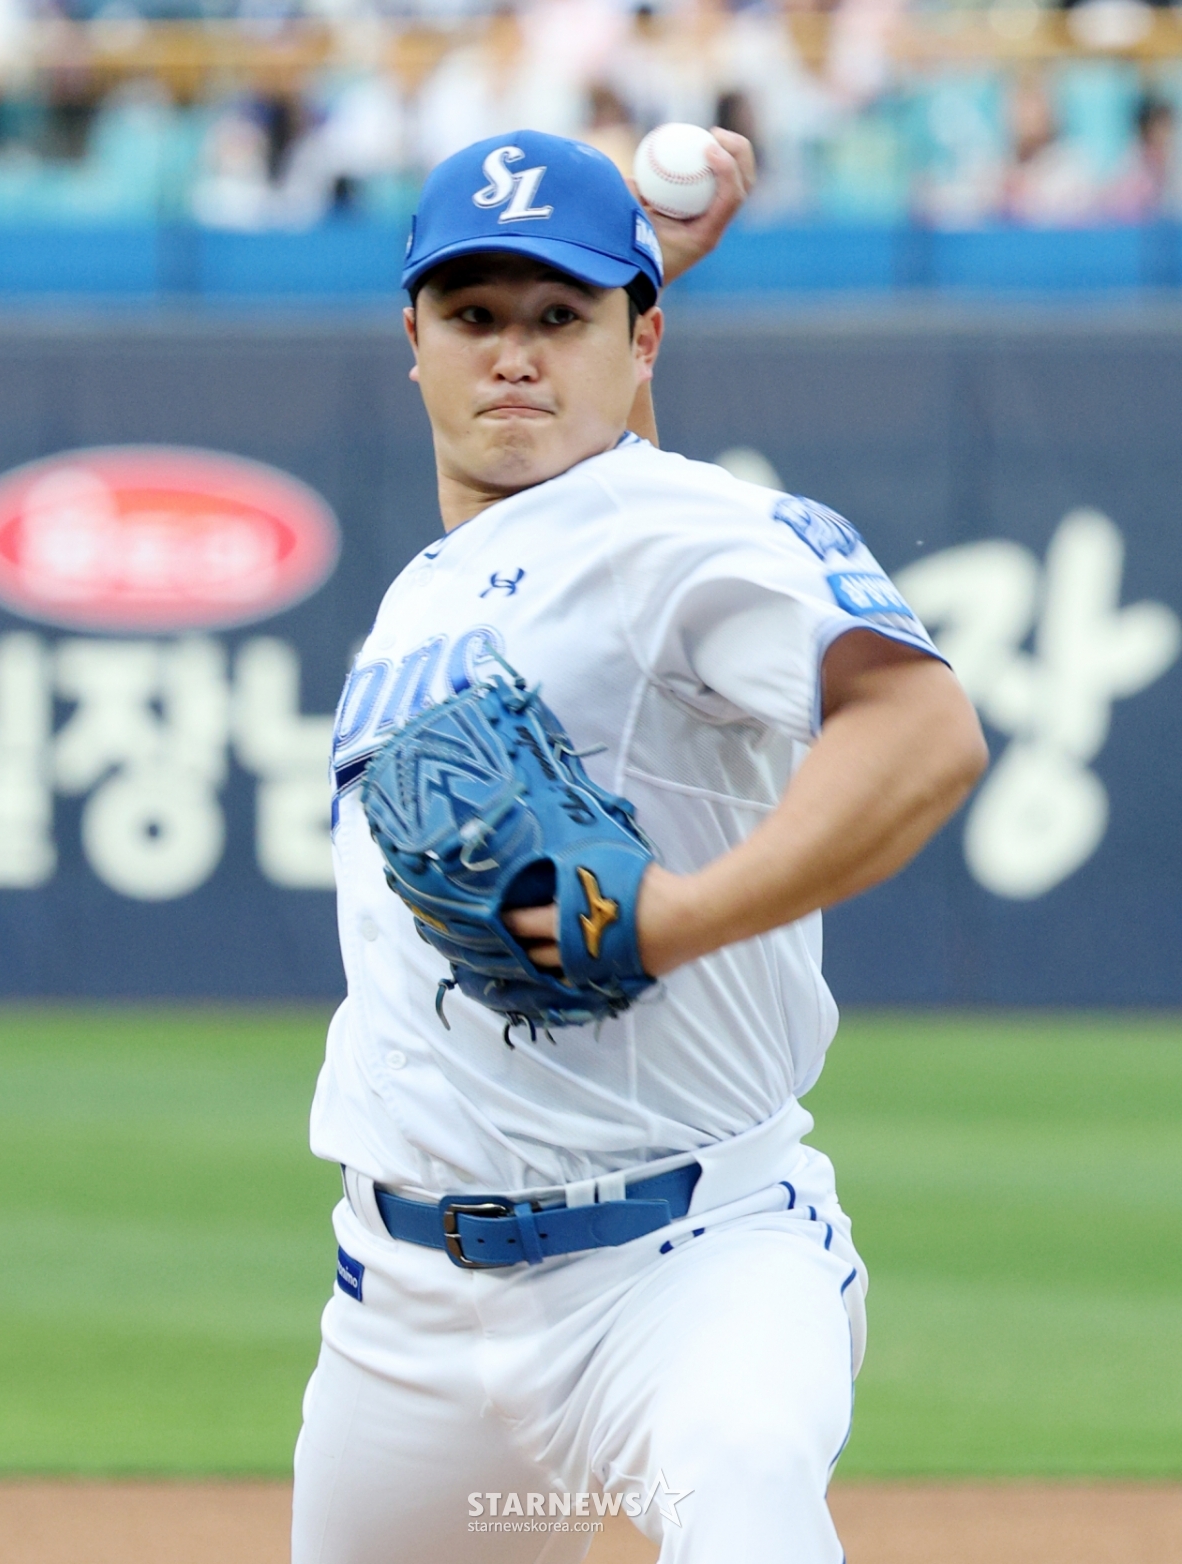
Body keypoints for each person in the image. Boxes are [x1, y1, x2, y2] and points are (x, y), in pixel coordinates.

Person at [292, 127, 987, 1564]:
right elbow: (581, 511)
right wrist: (614, 276)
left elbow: (922, 732)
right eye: (474, 316)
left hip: (693, 1269)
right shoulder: (447, 580)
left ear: (645, 341)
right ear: (412, 343)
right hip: (404, 1311)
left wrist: (673, 917)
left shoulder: (690, 528)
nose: (512, 356)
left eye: (562, 319)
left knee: (741, 1498)